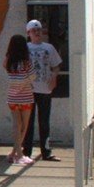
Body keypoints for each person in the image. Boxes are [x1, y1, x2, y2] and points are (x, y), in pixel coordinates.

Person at [22, 19, 63, 162]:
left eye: (39, 30)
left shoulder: (49, 48)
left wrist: (54, 78)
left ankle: (46, 151)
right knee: (28, 121)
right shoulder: (25, 48)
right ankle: (26, 151)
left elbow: (56, 66)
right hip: (29, 89)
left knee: (44, 121)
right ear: (28, 33)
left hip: (45, 89)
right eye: (34, 30)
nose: (37, 33)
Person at [3, 34, 36, 166]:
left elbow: (6, 69)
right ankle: (19, 154)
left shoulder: (8, 61)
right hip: (26, 96)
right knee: (24, 125)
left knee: (16, 125)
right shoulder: (27, 62)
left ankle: (14, 153)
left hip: (12, 96)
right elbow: (32, 76)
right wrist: (24, 83)